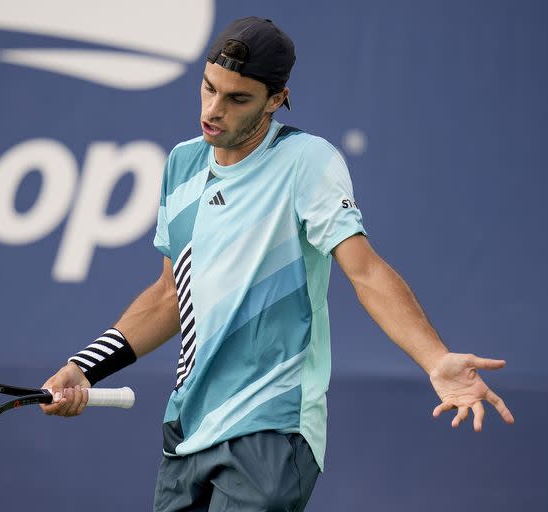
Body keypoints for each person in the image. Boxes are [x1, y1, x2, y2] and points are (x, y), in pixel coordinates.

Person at [40, 16, 515, 511]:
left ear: (276, 99)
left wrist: (435, 358)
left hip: (271, 429)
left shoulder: (306, 161)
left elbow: (366, 272)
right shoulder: (181, 165)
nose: (214, 110)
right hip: (187, 433)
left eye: (237, 99)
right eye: (208, 89)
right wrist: (85, 368)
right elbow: (169, 296)